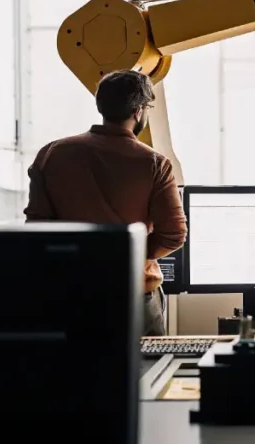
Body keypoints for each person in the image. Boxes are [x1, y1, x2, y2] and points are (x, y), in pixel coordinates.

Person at [24, 70, 187, 336]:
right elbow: (173, 234)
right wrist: (125, 256)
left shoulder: (51, 154)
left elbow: (37, 228)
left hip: (71, 294)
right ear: (138, 111)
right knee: (148, 373)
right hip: (134, 292)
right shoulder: (154, 163)